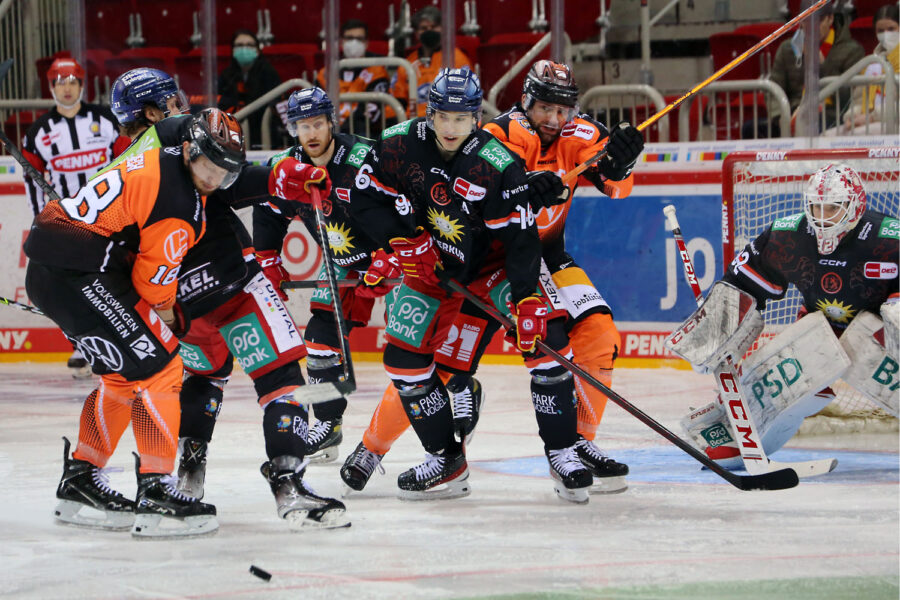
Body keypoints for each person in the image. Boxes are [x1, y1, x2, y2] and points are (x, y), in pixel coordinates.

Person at [340, 60, 642, 496]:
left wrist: (622, 163)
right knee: (436, 369)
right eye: (543, 108)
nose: (553, 119)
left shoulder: (583, 133)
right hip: (481, 259)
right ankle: (376, 447)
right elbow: (484, 190)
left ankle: (574, 446)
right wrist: (401, 242)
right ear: (524, 102)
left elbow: (614, 185)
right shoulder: (495, 137)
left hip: (539, 257)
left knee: (594, 336)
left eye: (562, 109)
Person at [108, 68, 350, 531]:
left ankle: (189, 473)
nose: (181, 107)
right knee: (279, 378)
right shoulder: (182, 147)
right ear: (154, 112)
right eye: (172, 101)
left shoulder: (120, 165)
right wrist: (289, 176)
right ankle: (288, 484)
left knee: (203, 377)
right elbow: (235, 182)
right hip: (233, 284)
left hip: (178, 304)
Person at [25, 108, 246, 538]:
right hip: (81, 272)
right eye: (209, 164)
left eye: (225, 171)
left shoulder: (157, 152)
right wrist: (169, 317)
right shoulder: (180, 206)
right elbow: (152, 284)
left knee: (123, 377)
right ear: (189, 149)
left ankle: (81, 480)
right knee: (163, 366)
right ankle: (157, 489)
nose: (214, 178)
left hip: (54, 267)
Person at [667, 163, 899, 466]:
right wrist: (717, 323)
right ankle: (733, 436)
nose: (822, 217)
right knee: (790, 374)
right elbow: (741, 283)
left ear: (854, 207)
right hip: (819, 334)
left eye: (833, 208)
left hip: (877, 338)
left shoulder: (888, 239)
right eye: (816, 207)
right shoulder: (788, 236)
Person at [253, 87, 395, 464]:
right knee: (318, 343)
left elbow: (404, 204)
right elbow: (268, 213)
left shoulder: (364, 157)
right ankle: (328, 426)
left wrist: (393, 252)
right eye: (303, 126)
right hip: (342, 260)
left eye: (318, 123)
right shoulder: (286, 165)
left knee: (412, 350)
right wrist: (268, 256)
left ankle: (463, 384)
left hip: (396, 256)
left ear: (331, 122)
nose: (311, 133)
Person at [21, 56, 129, 377]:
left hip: (108, 215)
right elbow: (32, 180)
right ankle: (83, 345)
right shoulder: (39, 132)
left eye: (72, 81)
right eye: (59, 82)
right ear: (51, 87)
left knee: (113, 279)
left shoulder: (105, 119)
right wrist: (42, 221)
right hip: (67, 222)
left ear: (82, 84)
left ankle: (120, 339)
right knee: (73, 285)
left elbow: (126, 160)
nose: (66, 88)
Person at [761, 2, 865, 136]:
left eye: (818, 20)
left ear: (830, 19)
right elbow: (773, 89)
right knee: (751, 128)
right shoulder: (787, 49)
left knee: (814, 125)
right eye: (806, 21)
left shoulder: (852, 51)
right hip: (793, 112)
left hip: (831, 113)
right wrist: (781, 116)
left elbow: (848, 98)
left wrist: (823, 67)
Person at [391, 5, 472, 118]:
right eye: (424, 28)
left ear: (442, 29)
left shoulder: (456, 58)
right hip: (414, 123)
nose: (429, 31)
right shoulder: (408, 63)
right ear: (416, 33)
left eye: (434, 27)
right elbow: (397, 100)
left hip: (446, 121)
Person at [316, 19, 393, 137]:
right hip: (329, 134)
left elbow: (369, 113)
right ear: (342, 41)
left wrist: (340, 136)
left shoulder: (377, 71)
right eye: (349, 38)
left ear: (366, 43)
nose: (354, 42)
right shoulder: (326, 73)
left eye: (359, 39)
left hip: (360, 136)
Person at [839, 3, 899, 135]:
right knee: (829, 136)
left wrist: (872, 118)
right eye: (881, 31)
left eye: (891, 29)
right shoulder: (871, 63)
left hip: (894, 122)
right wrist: (852, 117)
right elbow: (858, 100)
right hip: (869, 122)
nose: (886, 35)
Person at [218, 29, 281, 149]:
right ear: (233, 50)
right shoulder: (226, 75)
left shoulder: (269, 73)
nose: (244, 49)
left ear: (257, 50)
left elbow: (274, 104)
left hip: (264, 132)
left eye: (249, 45)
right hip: (233, 133)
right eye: (240, 45)